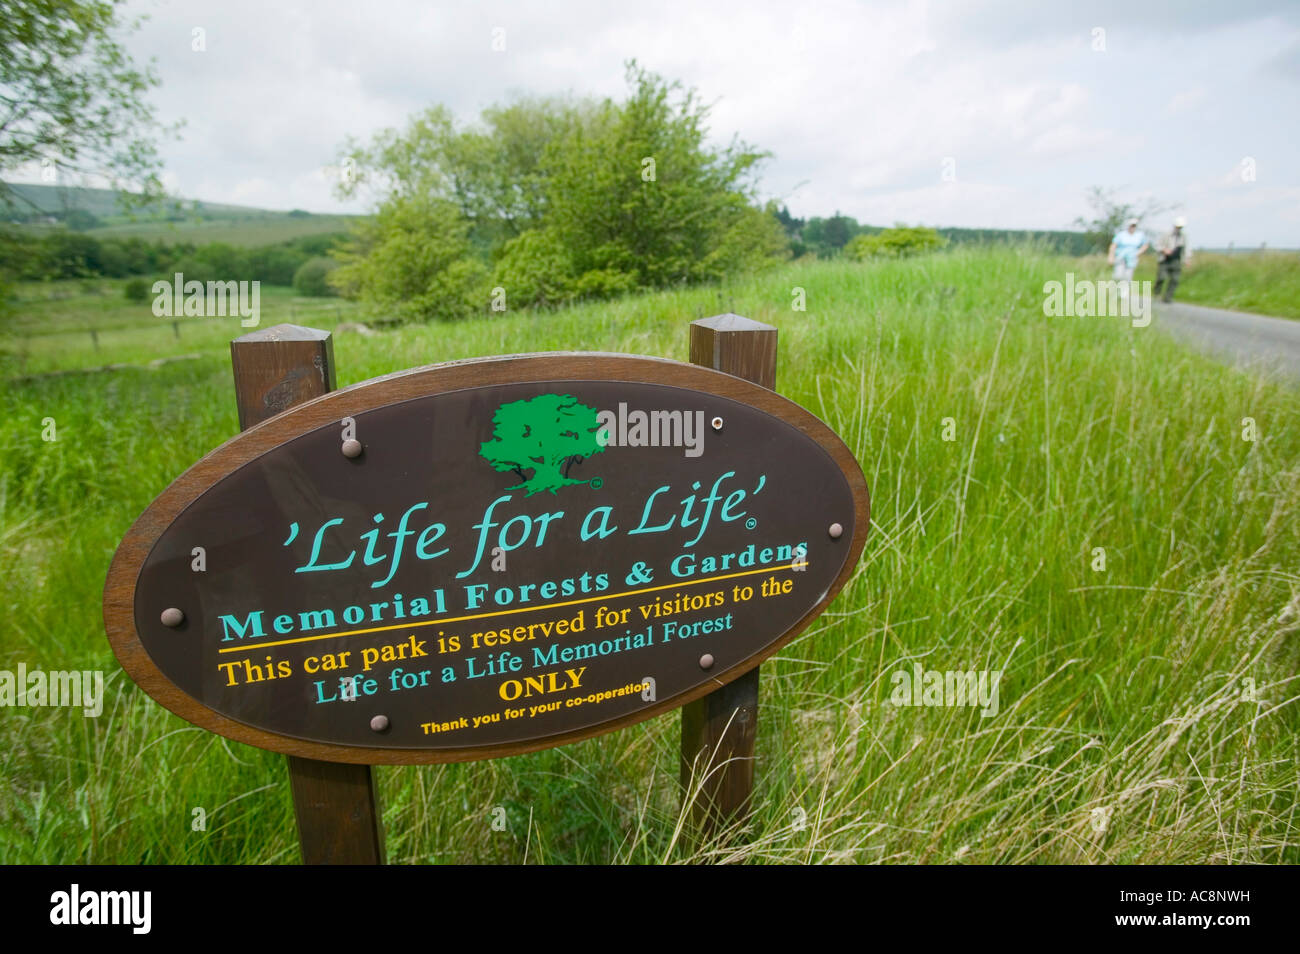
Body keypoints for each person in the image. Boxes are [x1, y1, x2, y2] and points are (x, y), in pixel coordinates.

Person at [1154, 216, 1190, 302]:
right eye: (1178, 227)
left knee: (1175, 279)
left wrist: (1187, 259)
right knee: (1161, 277)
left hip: (1176, 260)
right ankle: (1157, 293)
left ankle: (1168, 297)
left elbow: (1186, 249)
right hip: (1165, 260)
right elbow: (1157, 245)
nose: (1179, 229)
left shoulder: (1183, 236)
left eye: (1180, 227)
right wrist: (1164, 250)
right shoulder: (1166, 235)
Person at [1108, 217, 1148, 283]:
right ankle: (1116, 290)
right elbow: (1113, 245)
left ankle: (1124, 292)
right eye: (1131, 225)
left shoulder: (1140, 235)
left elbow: (1145, 245)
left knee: (1128, 276)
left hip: (1132, 258)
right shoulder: (1121, 234)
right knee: (1118, 275)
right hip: (1120, 256)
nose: (1132, 227)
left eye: (1134, 226)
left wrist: (1138, 253)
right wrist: (1111, 256)